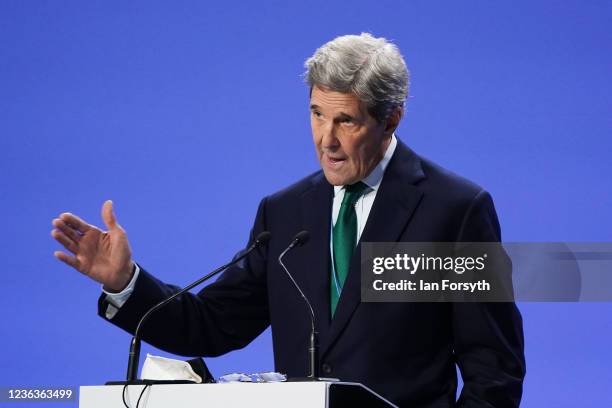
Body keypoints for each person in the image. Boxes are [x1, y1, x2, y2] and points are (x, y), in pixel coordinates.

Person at [52, 33, 525, 407]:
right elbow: (214, 325)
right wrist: (124, 283)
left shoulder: (453, 209)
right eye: (317, 115)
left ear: (392, 119)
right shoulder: (285, 213)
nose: (327, 140)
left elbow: (493, 367)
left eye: (347, 121)